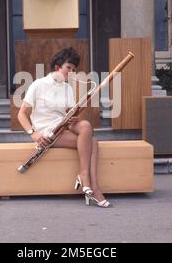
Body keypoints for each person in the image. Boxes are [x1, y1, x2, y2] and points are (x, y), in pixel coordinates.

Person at [17, 47, 112, 208]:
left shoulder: (67, 88)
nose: (71, 72)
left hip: (63, 127)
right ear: (57, 67)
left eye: (74, 69)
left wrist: (74, 117)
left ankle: (84, 177)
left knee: (85, 125)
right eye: (69, 68)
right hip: (48, 132)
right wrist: (33, 134)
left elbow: (69, 113)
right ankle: (93, 187)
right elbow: (21, 114)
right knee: (93, 143)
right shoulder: (38, 85)